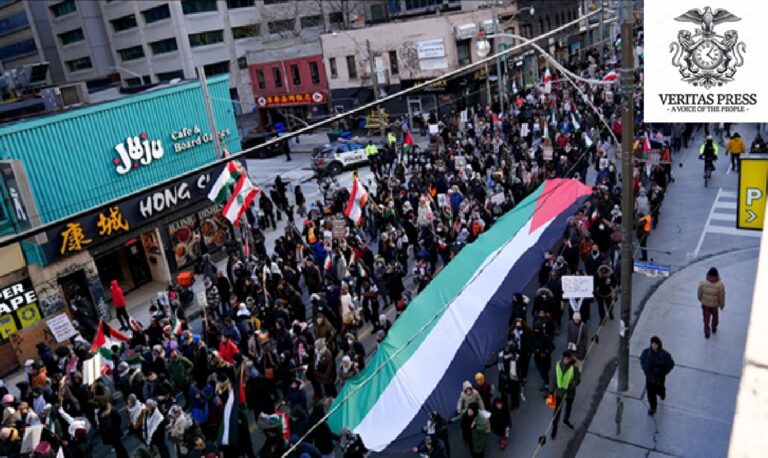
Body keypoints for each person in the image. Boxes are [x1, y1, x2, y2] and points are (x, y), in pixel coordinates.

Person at [639, 336, 675, 415]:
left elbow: (671, 364)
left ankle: (662, 393)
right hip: (649, 378)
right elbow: (642, 360)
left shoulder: (665, 355)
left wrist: (664, 373)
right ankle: (653, 408)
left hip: (659, 379)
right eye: (652, 344)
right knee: (651, 394)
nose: (653, 346)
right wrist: (645, 370)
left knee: (659, 389)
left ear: (659, 345)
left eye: (655, 344)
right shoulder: (646, 353)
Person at [549, 350, 580, 440]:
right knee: (556, 411)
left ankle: (566, 420)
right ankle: (554, 428)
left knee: (568, 407)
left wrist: (573, 384)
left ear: (570, 359)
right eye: (565, 359)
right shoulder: (558, 365)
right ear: (563, 358)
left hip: (570, 393)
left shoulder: (574, 368)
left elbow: (578, 379)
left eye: (567, 359)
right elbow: (553, 378)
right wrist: (551, 391)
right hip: (559, 393)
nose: (566, 360)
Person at [697, 267, 726, 339]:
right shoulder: (720, 285)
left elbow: (699, 292)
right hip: (714, 305)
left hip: (705, 305)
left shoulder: (703, 283)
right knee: (715, 318)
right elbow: (721, 296)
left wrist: (700, 299)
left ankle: (707, 332)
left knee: (706, 319)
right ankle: (714, 327)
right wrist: (722, 305)